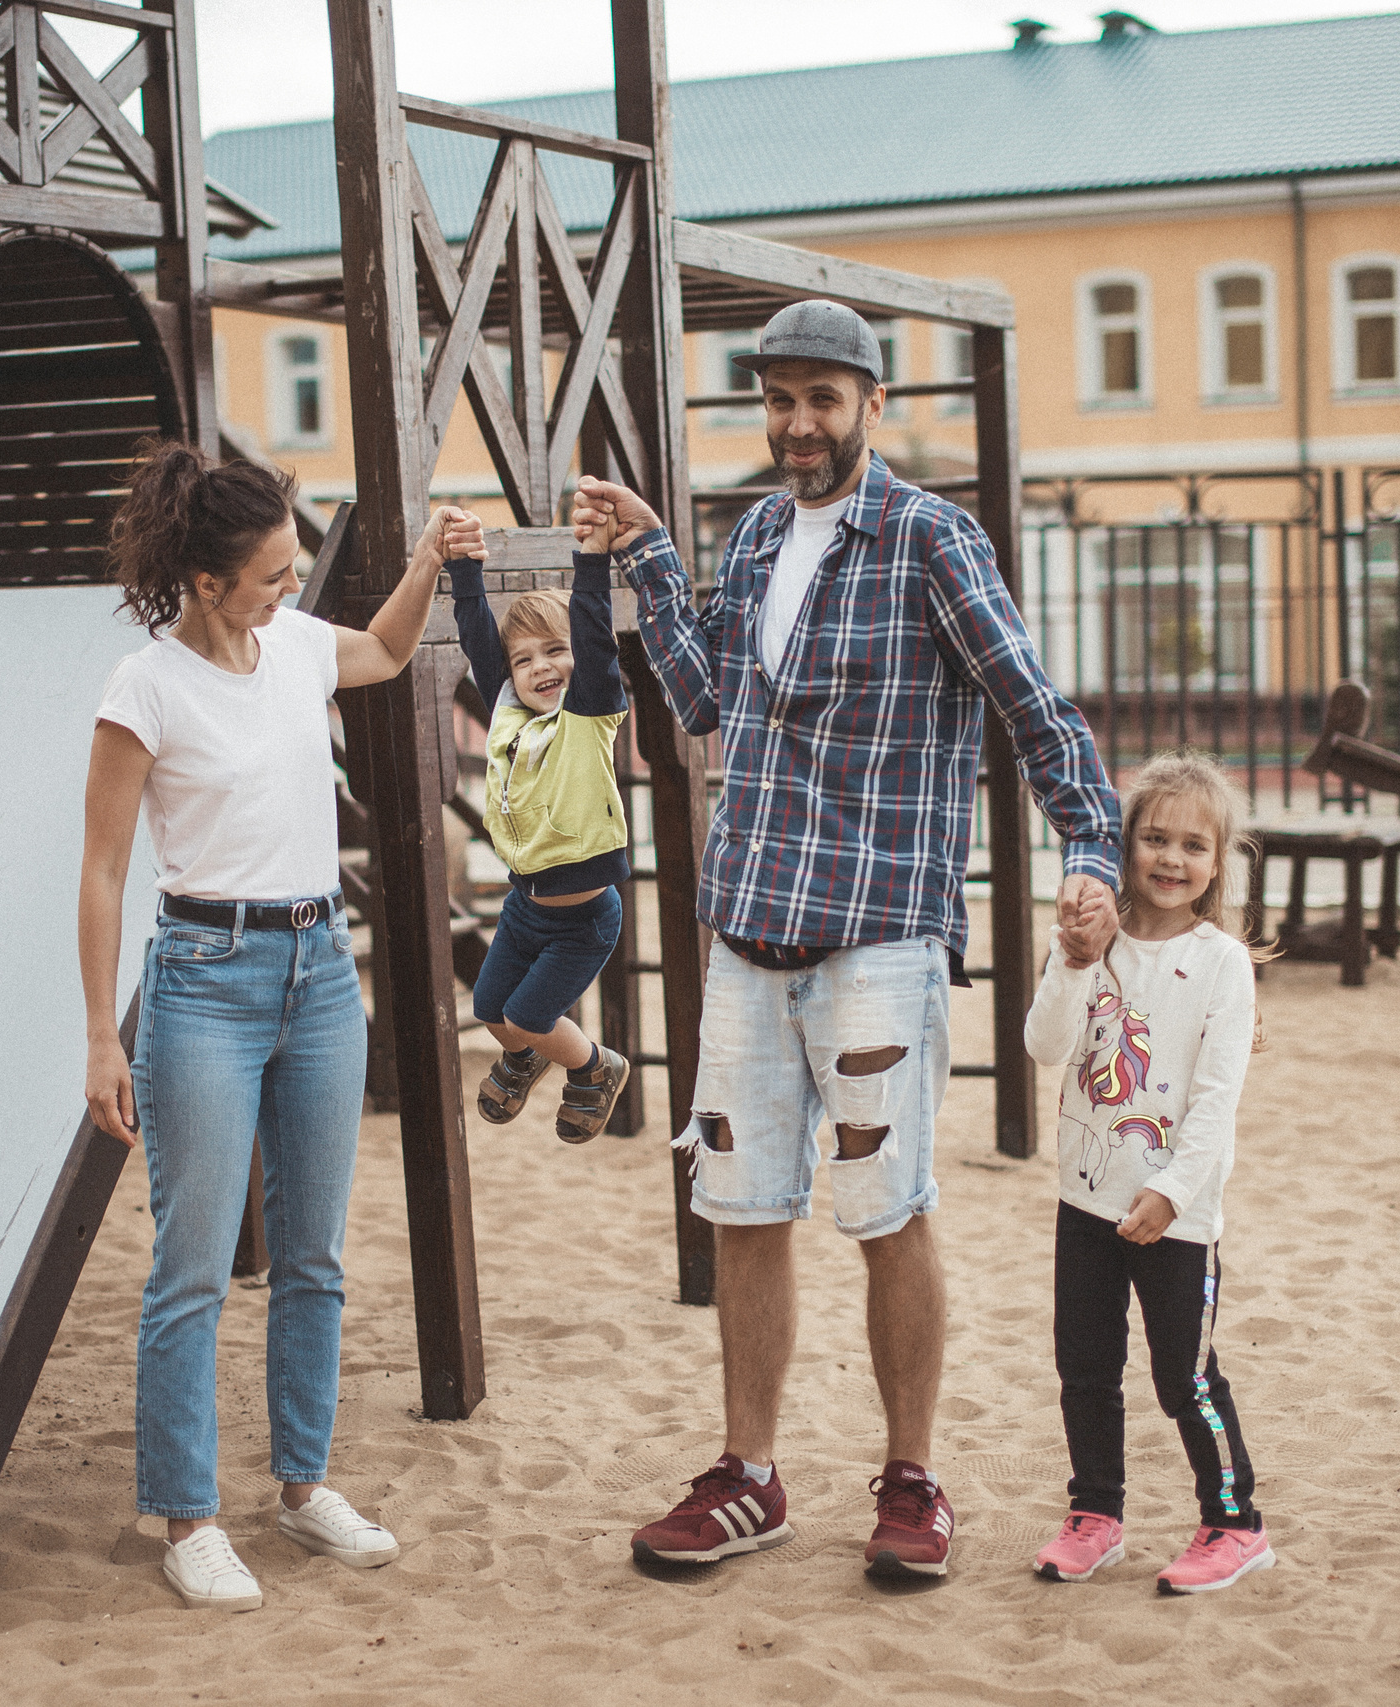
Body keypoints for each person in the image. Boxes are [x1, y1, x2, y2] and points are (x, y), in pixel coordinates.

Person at [573, 299, 1123, 1582]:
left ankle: (912, 1480)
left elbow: (1035, 713)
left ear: (870, 405)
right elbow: (709, 701)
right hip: (745, 930)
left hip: (878, 936)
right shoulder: (760, 530)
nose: (798, 424)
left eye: (823, 399)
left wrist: (1089, 850)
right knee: (740, 1205)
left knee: (885, 1210)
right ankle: (749, 1477)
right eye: (778, 398)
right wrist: (656, 555)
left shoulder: (932, 539)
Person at [78, 439, 483, 1612]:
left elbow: (392, 647)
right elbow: (104, 872)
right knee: (192, 1268)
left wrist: (424, 560)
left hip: (318, 971)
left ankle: (303, 1489)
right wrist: (104, 1036)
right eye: (267, 575)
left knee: (313, 1257)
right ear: (205, 583)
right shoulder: (143, 688)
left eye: (291, 570)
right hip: (202, 977)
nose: (288, 589)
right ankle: (187, 1517)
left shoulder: (301, 648)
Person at [1022, 749, 1274, 1596]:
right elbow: (1045, 1045)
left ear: (1218, 861)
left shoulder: (1221, 965)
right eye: (1154, 839)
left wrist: (1172, 1192)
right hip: (1084, 1200)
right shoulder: (1097, 944)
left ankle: (1234, 1521)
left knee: (1184, 1375)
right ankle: (1097, 1513)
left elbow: (1215, 1102)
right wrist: (1072, 957)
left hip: (1177, 1213)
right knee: (1085, 1367)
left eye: (1193, 845)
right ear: (1123, 847)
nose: (1171, 859)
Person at [451, 506, 634, 1141]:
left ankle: (596, 1068)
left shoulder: (587, 719)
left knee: (528, 1014)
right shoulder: (510, 713)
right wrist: (463, 568)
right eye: (524, 660)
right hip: (524, 906)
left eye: (555, 651)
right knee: (488, 1009)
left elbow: (593, 633)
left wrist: (590, 561)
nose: (541, 668)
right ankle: (527, 1058)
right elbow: (479, 638)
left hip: (583, 920)